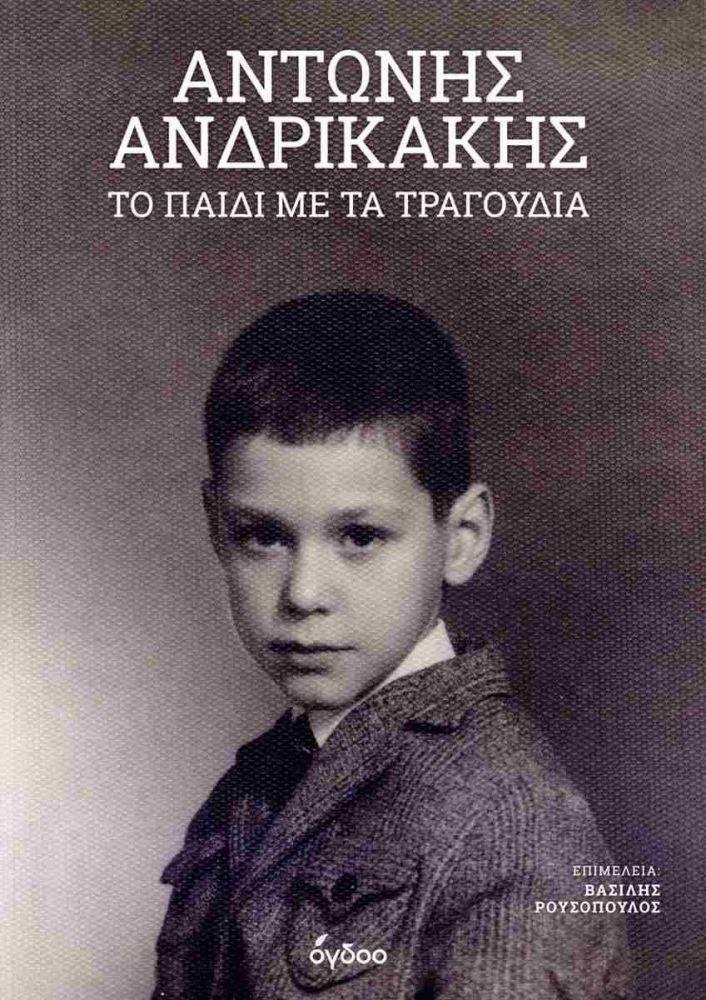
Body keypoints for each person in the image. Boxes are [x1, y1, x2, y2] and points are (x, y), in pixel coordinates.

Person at [151, 292, 630, 999]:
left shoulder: (513, 822)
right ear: (217, 528)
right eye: (264, 536)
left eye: (360, 537)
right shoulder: (263, 780)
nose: (304, 593)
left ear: (461, 538)